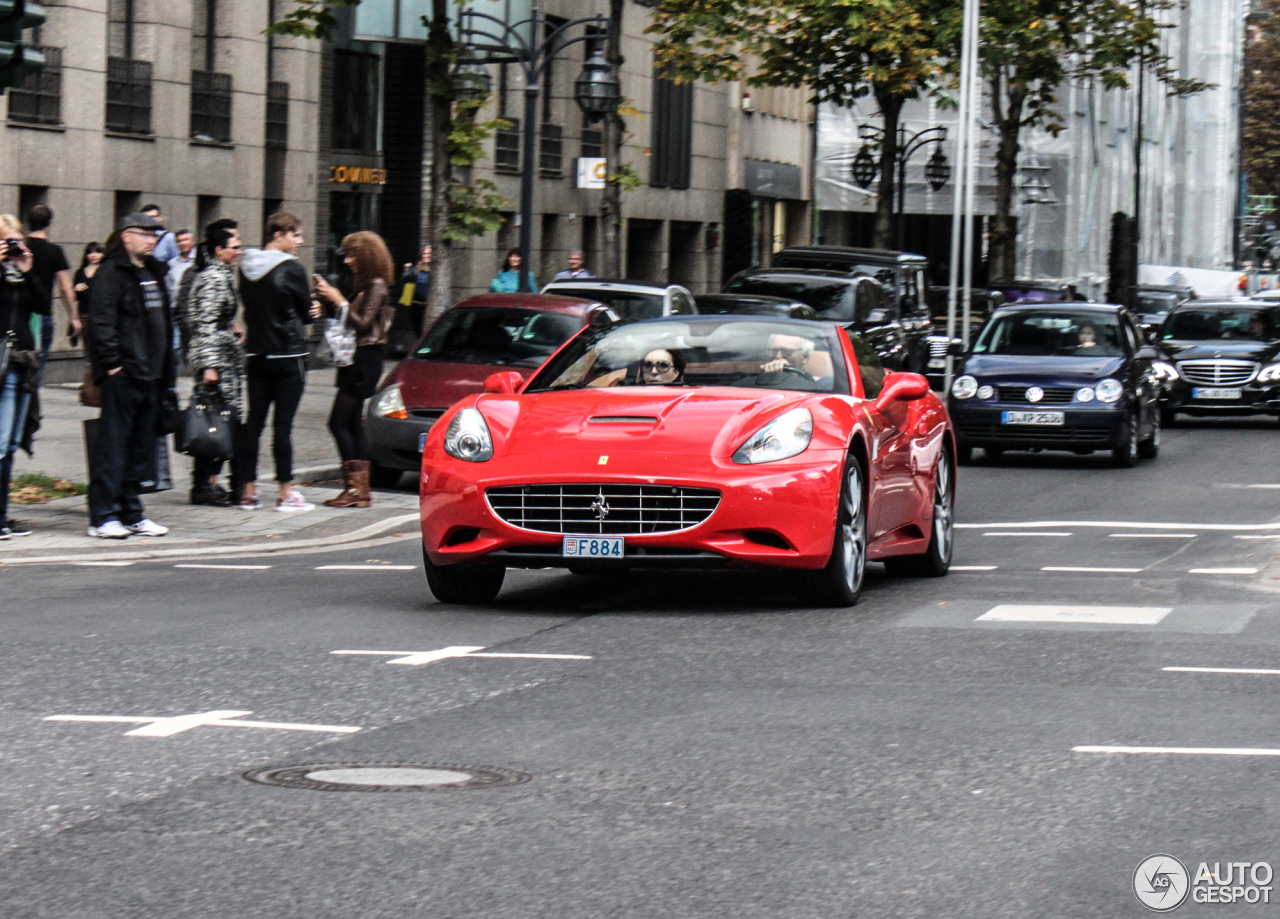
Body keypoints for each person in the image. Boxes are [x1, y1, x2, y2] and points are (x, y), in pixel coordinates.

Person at [83, 212, 174, 540]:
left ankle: (131, 512)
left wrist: (166, 372)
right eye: (146, 234)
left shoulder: (153, 271)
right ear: (126, 236)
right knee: (113, 447)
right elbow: (100, 322)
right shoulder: (111, 273)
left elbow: (164, 321)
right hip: (124, 375)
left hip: (152, 375)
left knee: (140, 450)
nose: (152, 240)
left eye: (155, 235)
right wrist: (112, 366)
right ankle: (103, 515)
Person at [232, 212, 319, 513]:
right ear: (279, 234)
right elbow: (306, 313)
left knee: (253, 424)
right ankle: (285, 493)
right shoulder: (292, 268)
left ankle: (248, 491)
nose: (300, 242)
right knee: (283, 427)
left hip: (256, 353)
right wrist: (314, 308)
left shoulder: (246, 266)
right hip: (288, 354)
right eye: (296, 235)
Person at [313, 231, 395, 508]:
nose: (348, 261)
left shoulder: (376, 286)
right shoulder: (366, 286)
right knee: (350, 423)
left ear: (367, 257)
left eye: (353, 256)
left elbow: (361, 323)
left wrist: (339, 299)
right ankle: (360, 489)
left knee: (339, 421)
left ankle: (355, 488)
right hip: (358, 359)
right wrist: (329, 299)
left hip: (364, 359)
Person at [185, 222, 246, 507]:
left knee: (218, 420)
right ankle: (204, 483)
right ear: (218, 250)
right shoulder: (213, 278)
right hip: (217, 363)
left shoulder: (220, 275)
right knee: (213, 421)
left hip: (224, 358)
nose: (239, 252)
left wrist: (232, 327)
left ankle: (210, 481)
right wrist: (210, 366)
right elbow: (204, 323)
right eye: (234, 247)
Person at [0, 214, 49, 539]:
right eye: (9, 241)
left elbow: (43, 306)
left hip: (23, 363)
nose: (16, 247)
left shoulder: (21, 274)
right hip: (2, 367)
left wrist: (30, 272)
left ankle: (3, 513)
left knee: (13, 442)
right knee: (1, 443)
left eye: (19, 240)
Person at [24, 204, 76, 361]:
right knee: (36, 368)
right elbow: (65, 287)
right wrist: (74, 316)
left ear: (28, 223)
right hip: (42, 313)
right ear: (49, 223)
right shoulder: (54, 251)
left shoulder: (21, 248)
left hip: (19, 313)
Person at [72, 242, 104, 343]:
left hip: (101, 313)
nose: (94, 255)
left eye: (98, 252)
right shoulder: (80, 272)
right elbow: (74, 298)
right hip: (84, 313)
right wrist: (75, 289)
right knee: (87, 344)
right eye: (90, 253)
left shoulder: (105, 271)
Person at [398, 244, 431, 336]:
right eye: (424, 253)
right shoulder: (417, 268)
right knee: (419, 332)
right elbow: (405, 280)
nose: (426, 256)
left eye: (429, 254)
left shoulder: (435, 269)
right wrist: (406, 270)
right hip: (417, 306)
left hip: (430, 305)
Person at [165, 228, 196, 307]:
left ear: (193, 241)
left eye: (186, 240)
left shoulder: (200, 260)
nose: (183, 243)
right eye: (179, 241)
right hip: (175, 307)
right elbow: (168, 288)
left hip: (194, 308)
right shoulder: (171, 263)